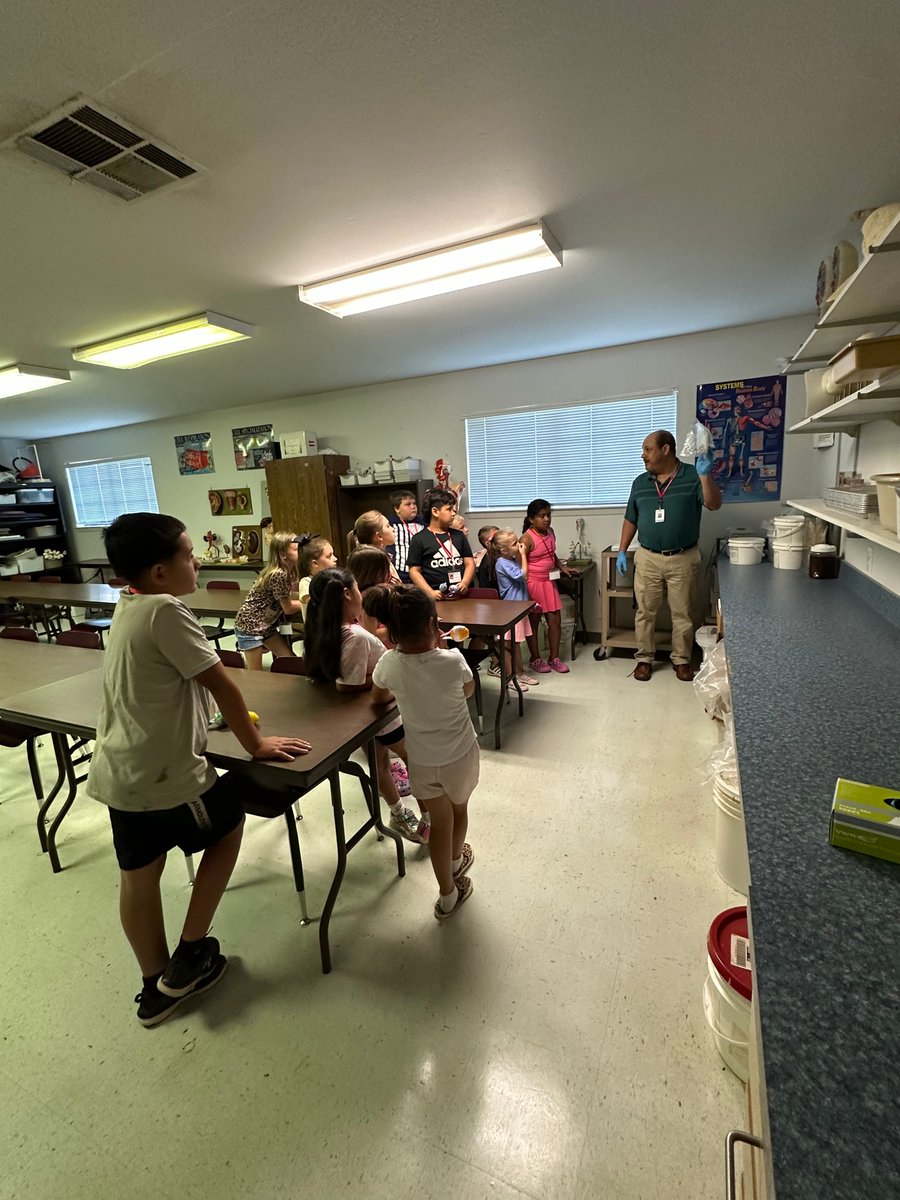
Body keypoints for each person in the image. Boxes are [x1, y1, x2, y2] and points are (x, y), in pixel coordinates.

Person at [87, 513, 310, 1028]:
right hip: (164, 775)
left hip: (119, 772)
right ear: (161, 571)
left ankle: (153, 986)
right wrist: (255, 743)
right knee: (228, 826)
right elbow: (225, 685)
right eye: (189, 554)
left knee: (138, 872)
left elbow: (165, 683)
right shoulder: (168, 610)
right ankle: (189, 955)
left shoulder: (131, 604)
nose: (198, 560)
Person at [369, 585, 478, 920]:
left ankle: (447, 896)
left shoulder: (389, 662)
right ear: (434, 623)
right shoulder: (453, 660)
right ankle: (457, 861)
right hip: (459, 756)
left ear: (393, 631)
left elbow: (377, 697)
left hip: (421, 761)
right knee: (459, 811)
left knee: (439, 825)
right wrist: (443, 649)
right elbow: (468, 690)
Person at [303, 567, 427, 843]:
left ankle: (398, 812)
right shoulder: (355, 636)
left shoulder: (328, 626)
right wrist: (390, 678)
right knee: (415, 761)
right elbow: (346, 683)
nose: (361, 594)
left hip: (362, 714)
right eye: (358, 589)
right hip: (381, 712)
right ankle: (427, 817)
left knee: (380, 762)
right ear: (347, 594)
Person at [616, 430, 721, 683]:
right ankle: (644, 659)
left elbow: (714, 504)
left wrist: (705, 475)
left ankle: (682, 660)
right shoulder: (640, 482)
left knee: (682, 613)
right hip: (648, 557)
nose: (643, 456)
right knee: (645, 612)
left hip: (683, 557)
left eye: (648, 449)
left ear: (666, 449)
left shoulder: (692, 476)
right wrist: (622, 550)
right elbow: (631, 518)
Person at [233, 532, 304, 670]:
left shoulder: (288, 571)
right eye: (295, 549)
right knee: (257, 674)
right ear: (283, 554)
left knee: (291, 661)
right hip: (250, 627)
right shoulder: (279, 574)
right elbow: (288, 608)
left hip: (266, 626)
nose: (300, 551)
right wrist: (308, 602)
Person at [521, 499, 571, 675]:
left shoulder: (550, 532)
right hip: (533, 584)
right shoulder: (526, 539)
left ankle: (554, 658)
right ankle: (535, 659)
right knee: (534, 622)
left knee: (555, 620)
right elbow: (521, 566)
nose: (547, 519)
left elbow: (551, 551)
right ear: (531, 519)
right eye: (542, 516)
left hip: (549, 582)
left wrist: (561, 566)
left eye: (549, 515)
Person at [407, 488, 475, 600]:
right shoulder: (419, 539)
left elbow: (469, 563)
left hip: (460, 595)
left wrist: (465, 583)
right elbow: (414, 571)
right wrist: (429, 592)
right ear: (435, 512)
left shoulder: (459, 536)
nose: (454, 513)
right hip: (435, 596)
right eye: (449, 509)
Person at [492, 529, 540, 688]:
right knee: (507, 644)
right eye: (514, 544)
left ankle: (518, 673)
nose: (519, 545)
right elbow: (523, 576)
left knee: (516, 643)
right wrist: (524, 555)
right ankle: (510, 677)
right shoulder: (502, 563)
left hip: (519, 608)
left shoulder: (511, 559)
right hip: (510, 609)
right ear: (503, 550)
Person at [347, 511, 402, 584]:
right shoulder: (375, 564)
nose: (393, 529)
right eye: (388, 526)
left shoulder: (383, 559)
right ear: (379, 536)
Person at [387, 490, 424, 582]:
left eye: (414, 503)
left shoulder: (423, 523)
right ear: (397, 508)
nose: (413, 507)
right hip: (400, 573)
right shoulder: (390, 524)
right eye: (408, 504)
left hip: (422, 573)